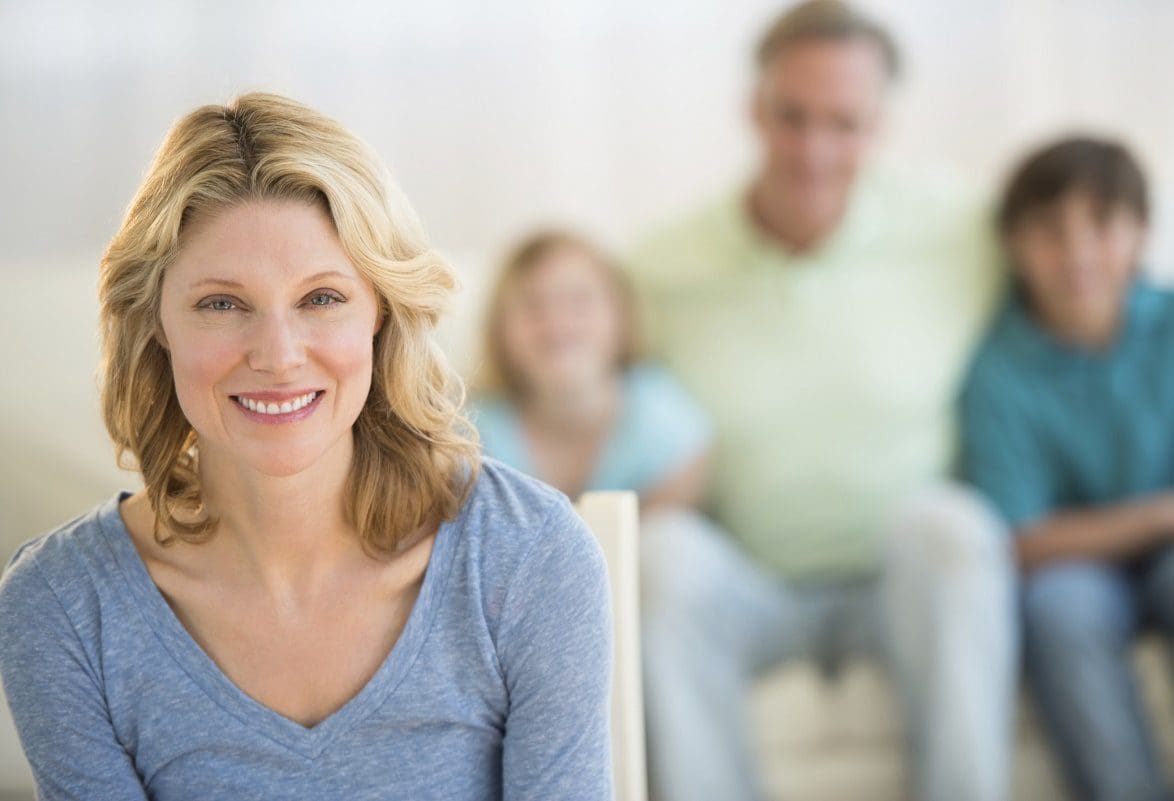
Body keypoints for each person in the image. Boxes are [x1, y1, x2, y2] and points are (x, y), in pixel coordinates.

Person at [0, 93, 612, 801]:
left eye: (321, 297)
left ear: (380, 313)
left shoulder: (529, 558)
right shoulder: (62, 610)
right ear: (156, 321)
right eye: (222, 303)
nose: (279, 355)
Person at [624, 2, 1015, 800]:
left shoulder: (960, 232)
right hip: (752, 582)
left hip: (899, 577)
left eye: (845, 124)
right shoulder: (662, 264)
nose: (813, 150)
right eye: (792, 117)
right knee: (660, 552)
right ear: (753, 110)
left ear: (880, 126)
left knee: (954, 526)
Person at [961, 137, 1174, 801]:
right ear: (1012, 245)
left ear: (1141, 233)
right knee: (1061, 610)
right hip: (1071, 567)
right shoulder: (997, 370)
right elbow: (1023, 537)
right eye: (1049, 232)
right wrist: (1163, 512)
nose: (1078, 254)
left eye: (1102, 223)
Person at [472, 230, 711, 512]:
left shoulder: (665, 422)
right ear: (499, 331)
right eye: (533, 306)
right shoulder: (475, 434)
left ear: (622, 315)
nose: (556, 323)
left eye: (579, 301)